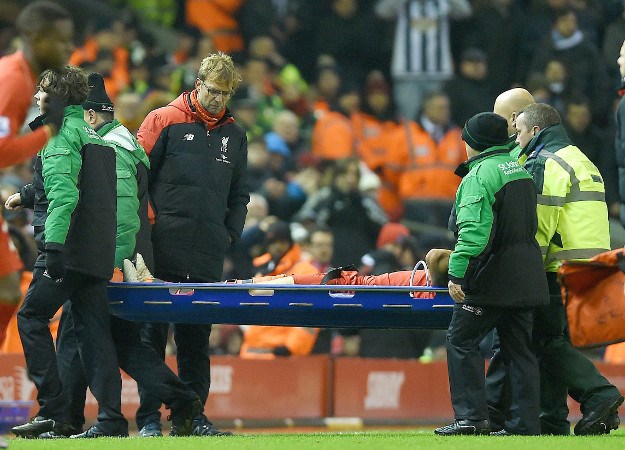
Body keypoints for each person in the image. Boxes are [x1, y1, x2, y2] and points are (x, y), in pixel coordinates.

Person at [34, 72, 204, 439]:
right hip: (131, 258)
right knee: (125, 345)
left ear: (91, 116)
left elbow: (120, 211)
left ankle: (67, 420)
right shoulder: (131, 147)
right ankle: (183, 399)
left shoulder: (108, 148)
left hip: (110, 260)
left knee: (74, 335)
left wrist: (100, 262)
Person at [9, 66, 125, 438]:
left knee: (30, 317)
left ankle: (53, 411)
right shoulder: (96, 134)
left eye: (42, 91)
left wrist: (54, 247)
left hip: (67, 249)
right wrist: (27, 195)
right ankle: (111, 420)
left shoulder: (58, 135)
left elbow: (65, 195)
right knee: (94, 335)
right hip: (96, 252)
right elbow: (90, 190)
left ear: (56, 97)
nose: (37, 97)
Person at [136, 51, 248, 437]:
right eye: (213, 90)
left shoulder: (235, 135)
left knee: (196, 339)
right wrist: (148, 229)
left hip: (205, 249)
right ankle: (149, 418)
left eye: (225, 93)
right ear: (197, 84)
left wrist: (228, 234)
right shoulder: (162, 119)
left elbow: (239, 193)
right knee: (152, 335)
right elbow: (136, 178)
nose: (218, 99)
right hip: (160, 246)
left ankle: (192, 417)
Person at [434, 112, 549, 436]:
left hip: (492, 276)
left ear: (476, 142)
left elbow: (473, 234)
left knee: (461, 339)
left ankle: (471, 418)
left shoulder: (480, 175)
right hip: (527, 274)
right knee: (520, 350)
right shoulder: (519, 170)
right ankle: (525, 425)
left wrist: (456, 275)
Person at [514, 103, 624, 435]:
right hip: (589, 266)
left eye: (518, 131)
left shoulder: (545, 162)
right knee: (551, 340)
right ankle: (552, 421)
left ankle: (599, 394)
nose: (515, 138)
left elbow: (540, 226)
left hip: (557, 267)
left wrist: (525, 269)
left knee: (546, 340)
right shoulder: (579, 157)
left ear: (535, 131)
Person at [0, 0, 72, 349]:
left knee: (8, 286)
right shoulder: (13, 80)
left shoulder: (25, 77)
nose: (67, 47)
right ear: (32, 36)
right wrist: (48, 133)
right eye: (59, 40)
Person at [239, 220, 320, 359]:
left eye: (282, 242)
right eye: (273, 242)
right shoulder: (262, 271)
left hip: (283, 356)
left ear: (290, 242)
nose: (277, 247)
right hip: (251, 352)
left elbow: (311, 315)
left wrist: (291, 348)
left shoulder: (306, 272)